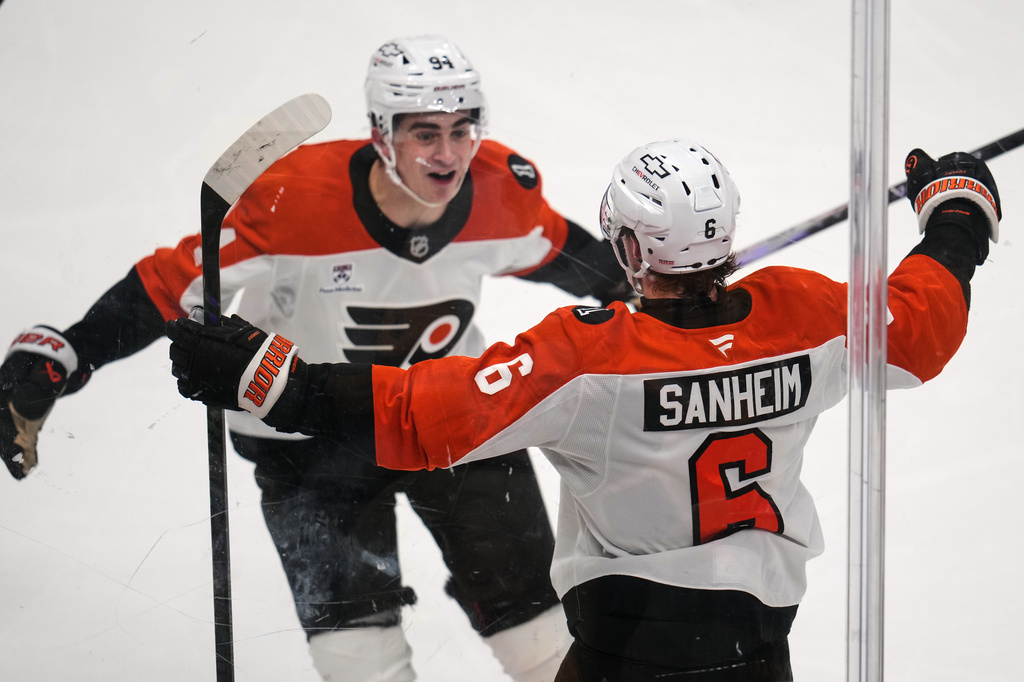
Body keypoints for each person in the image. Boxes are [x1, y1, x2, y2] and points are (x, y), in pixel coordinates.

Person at [165, 137, 1002, 681]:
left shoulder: (587, 354)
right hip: (758, 654)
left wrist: (273, 375)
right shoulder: (804, 316)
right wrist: (958, 215)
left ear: (634, 248)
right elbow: (920, 325)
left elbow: (428, 414)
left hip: (624, 655)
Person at [0, 35, 633, 682]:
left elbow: (584, 266)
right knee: (362, 663)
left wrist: (660, 287)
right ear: (382, 133)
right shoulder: (292, 202)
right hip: (309, 436)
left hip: (446, 420)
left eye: (462, 129)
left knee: (541, 638)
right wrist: (66, 353)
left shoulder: (500, 190)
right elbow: (165, 289)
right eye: (424, 133)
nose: (448, 154)